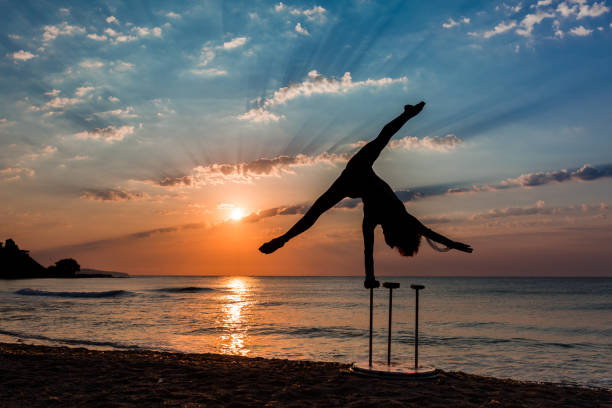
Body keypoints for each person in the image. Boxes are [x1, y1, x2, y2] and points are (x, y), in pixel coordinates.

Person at [259, 102, 473, 288]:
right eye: (393, 243)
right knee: (383, 139)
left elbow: (369, 251)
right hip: (359, 170)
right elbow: (428, 233)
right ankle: (407, 114)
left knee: (315, 212)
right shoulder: (400, 217)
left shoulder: (374, 220)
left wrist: (370, 277)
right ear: (398, 234)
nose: (388, 244)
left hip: (352, 181)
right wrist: (454, 245)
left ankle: (283, 239)